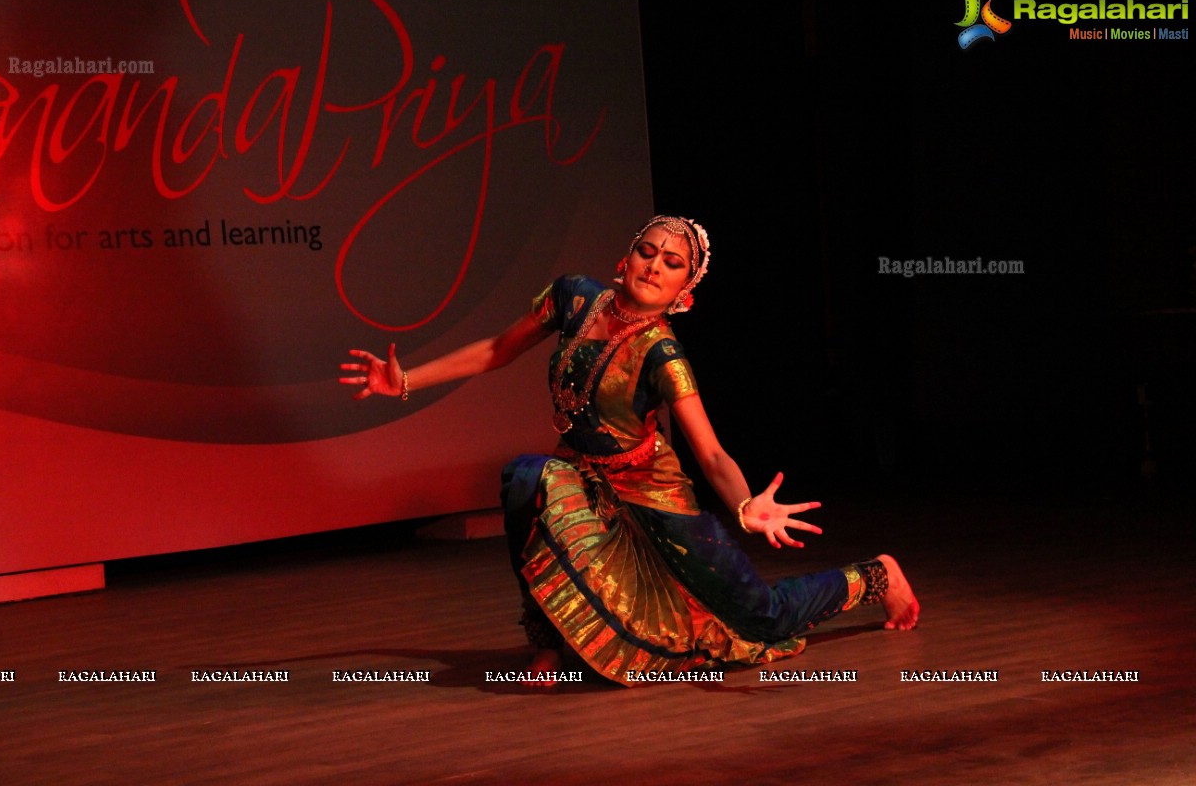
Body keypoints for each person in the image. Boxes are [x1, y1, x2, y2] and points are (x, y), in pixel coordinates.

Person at [340, 215, 919, 686]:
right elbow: (496, 349)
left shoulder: (664, 354)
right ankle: (548, 645)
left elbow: (711, 454)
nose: (655, 266)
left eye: (673, 264)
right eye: (648, 252)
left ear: (684, 291)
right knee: (526, 480)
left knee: (756, 620)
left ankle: (871, 577)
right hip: (582, 473)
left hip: (652, 490)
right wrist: (405, 380)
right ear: (624, 259)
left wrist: (745, 507)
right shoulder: (572, 299)